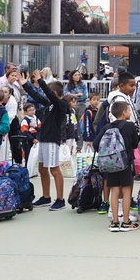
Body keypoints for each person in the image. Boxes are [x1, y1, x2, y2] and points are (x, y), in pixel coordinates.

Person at [22, 70, 69, 211]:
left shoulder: (61, 105)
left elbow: (48, 94)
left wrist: (41, 81)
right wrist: (25, 84)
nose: (45, 95)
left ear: (54, 93)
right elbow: (36, 95)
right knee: (42, 168)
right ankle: (46, 197)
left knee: (54, 169)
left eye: (49, 92)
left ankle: (60, 199)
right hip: (43, 139)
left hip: (52, 140)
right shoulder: (49, 105)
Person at [95, 100, 140, 232]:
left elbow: (96, 144)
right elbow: (134, 144)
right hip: (125, 163)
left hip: (111, 163)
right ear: (124, 112)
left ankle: (115, 222)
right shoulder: (129, 126)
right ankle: (126, 222)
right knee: (126, 191)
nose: (129, 112)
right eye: (128, 110)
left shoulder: (107, 127)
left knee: (114, 191)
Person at [66, 71, 89, 151]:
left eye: (78, 75)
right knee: (71, 126)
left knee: (80, 126)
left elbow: (85, 96)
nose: (77, 76)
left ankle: (79, 147)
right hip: (71, 107)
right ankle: (70, 146)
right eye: (75, 75)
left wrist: (72, 95)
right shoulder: (68, 86)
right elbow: (66, 97)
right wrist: (77, 95)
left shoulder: (83, 85)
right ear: (72, 76)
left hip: (81, 106)